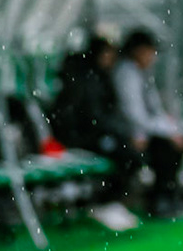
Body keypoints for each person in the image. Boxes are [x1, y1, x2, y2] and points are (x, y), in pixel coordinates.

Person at [50, 35, 140, 230]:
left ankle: (110, 203)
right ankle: (105, 203)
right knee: (127, 155)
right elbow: (93, 117)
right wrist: (117, 134)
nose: (112, 59)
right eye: (108, 54)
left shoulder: (98, 76)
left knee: (129, 154)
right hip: (82, 138)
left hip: (92, 135)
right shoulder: (87, 79)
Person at [114, 29, 183, 217]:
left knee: (177, 140)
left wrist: (172, 129)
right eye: (150, 51)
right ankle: (161, 199)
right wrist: (151, 133)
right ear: (138, 51)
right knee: (165, 147)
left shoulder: (142, 73)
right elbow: (133, 114)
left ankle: (168, 194)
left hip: (143, 131)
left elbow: (155, 109)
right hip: (125, 133)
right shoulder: (126, 74)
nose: (153, 57)